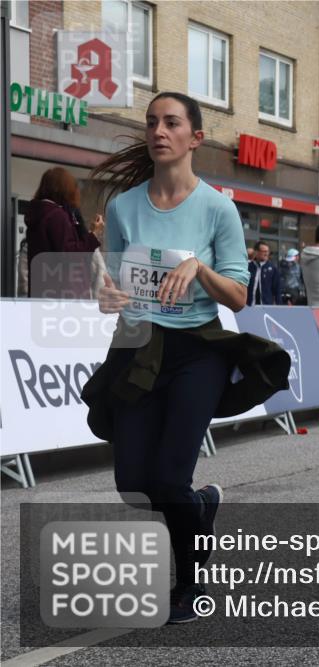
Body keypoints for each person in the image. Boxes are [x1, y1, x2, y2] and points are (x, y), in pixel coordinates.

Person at [83, 92, 289, 624]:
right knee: (134, 483)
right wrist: (106, 297)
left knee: (170, 477)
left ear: (195, 137)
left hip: (199, 350)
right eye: (152, 122)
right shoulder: (126, 207)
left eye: (171, 123)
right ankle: (201, 508)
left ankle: (188, 584)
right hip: (139, 347)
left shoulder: (217, 207)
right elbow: (113, 285)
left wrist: (198, 268)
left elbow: (240, 297)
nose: (159, 131)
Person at [25, 166, 101, 299]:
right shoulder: (56, 215)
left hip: (42, 291)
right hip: (62, 294)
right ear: (63, 189)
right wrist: (93, 235)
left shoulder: (39, 214)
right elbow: (70, 255)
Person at [246, 240, 280, 306]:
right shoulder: (248, 267)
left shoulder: (273, 269)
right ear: (256, 252)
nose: (266, 254)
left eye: (267, 251)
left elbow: (277, 290)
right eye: (264, 251)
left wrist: (279, 307)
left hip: (266, 307)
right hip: (249, 306)